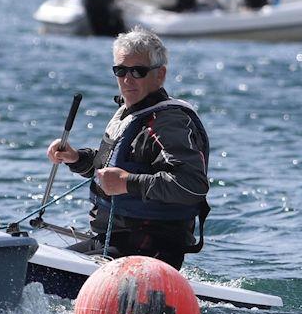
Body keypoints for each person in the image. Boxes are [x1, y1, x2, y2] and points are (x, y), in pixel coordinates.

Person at [46, 27, 210, 270]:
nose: (127, 79)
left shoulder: (169, 122)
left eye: (138, 71)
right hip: (113, 242)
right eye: (120, 70)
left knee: (45, 270)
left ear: (160, 75)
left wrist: (128, 182)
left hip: (150, 250)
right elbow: (112, 168)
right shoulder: (129, 114)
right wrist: (76, 158)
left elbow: (192, 186)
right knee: (42, 258)